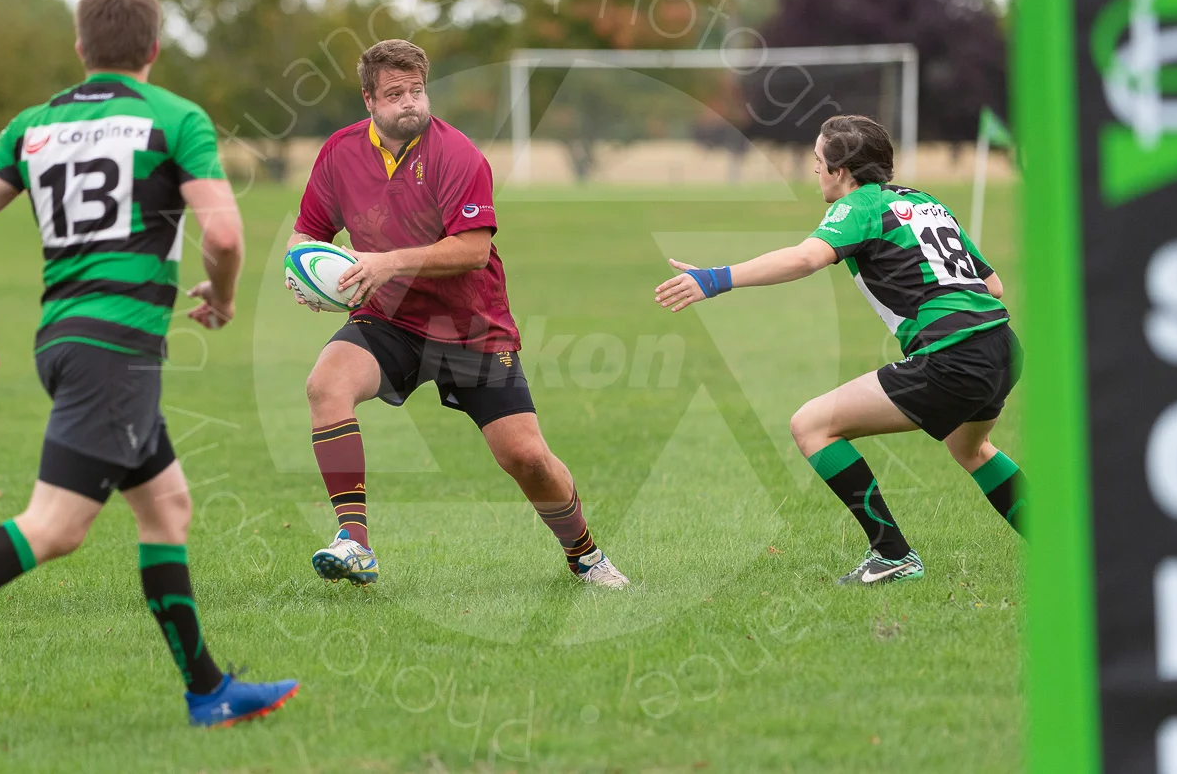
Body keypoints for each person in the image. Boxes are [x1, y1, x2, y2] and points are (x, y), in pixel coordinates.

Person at [0, 0, 298, 734]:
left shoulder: (35, 124)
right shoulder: (174, 117)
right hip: (114, 354)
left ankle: (208, 692)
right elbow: (223, 236)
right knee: (56, 526)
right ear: (154, 47)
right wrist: (222, 298)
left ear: (80, 48)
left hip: (66, 341)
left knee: (167, 507)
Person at [286, 39, 629, 590]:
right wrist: (304, 275)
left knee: (526, 457)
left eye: (417, 91)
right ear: (368, 99)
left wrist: (386, 262)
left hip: (471, 326)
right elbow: (308, 233)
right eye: (394, 94)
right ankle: (354, 542)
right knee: (325, 385)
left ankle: (584, 554)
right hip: (389, 320)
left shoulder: (456, 153)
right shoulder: (340, 152)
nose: (409, 103)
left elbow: (472, 250)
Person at [654, 114, 1025, 585]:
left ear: (841, 170)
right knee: (972, 450)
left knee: (811, 425)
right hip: (1002, 347)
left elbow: (806, 258)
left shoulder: (858, 205)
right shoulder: (923, 201)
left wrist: (714, 279)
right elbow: (992, 285)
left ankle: (892, 555)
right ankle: (1061, 546)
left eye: (819, 160)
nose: (815, 169)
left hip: (954, 357)